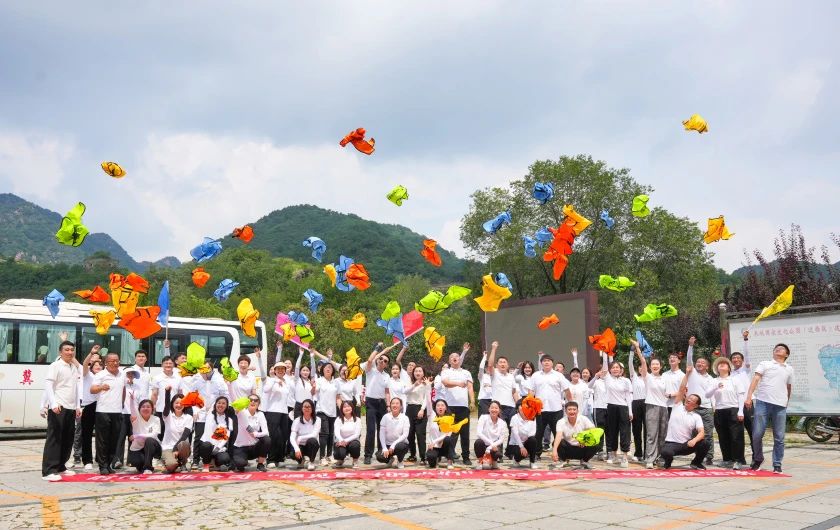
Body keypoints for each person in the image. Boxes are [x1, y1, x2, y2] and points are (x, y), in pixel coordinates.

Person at [745, 342, 793, 474]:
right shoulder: (765, 364)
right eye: (776, 348)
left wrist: (786, 401)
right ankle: (758, 459)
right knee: (757, 434)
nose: (778, 349)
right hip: (763, 403)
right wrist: (749, 397)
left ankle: (777, 464)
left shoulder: (789, 369)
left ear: (786, 355)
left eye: (782, 349)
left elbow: (788, 387)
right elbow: (755, 379)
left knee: (779, 437)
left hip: (780, 405)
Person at [42, 340, 82, 482]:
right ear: (60, 352)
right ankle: (48, 471)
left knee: (67, 439)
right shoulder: (55, 365)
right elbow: (49, 385)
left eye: (72, 350)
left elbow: (76, 388)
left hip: (71, 408)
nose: (70, 352)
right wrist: (52, 403)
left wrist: (78, 406)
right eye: (67, 350)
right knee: (55, 439)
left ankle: (61, 466)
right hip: (58, 407)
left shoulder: (74, 367)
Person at [661, 366, 710, 469]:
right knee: (666, 452)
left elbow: (701, 433)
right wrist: (687, 374)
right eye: (689, 397)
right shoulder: (677, 406)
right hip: (671, 444)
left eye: (692, 400)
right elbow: (681, 389)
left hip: (686, 445)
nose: (689, 399)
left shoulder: (696, 416)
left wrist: (694, 440)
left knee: (705, 443)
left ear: (696, 405)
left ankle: (696, 463)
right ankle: (668, 463)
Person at [591, 352, 632, 467]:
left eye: (617, 367)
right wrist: (605, 352)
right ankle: (613, 455)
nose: (615, 369)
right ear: (610, 370)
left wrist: (630, 411)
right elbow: (605, 365)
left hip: (623, 407)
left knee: (624, 432)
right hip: (611, 407)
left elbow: (628, 396)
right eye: (613, 368)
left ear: (621, 369)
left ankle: (624, 456)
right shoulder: (608, 378)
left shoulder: (626, 381)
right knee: (612, 432)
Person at [186, 361, 229, 470]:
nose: (205, 370)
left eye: (208, 368)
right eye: (203, 368)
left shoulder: (218, 380)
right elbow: (191, 396)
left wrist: (217, 407)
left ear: (212, 369)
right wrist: (195, 410)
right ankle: (195, 460)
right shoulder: (196, 380)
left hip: (215, 412)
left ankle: (213, 458)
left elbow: (224, 395)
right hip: (201, 411)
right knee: (198, 436)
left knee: (215, 434)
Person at [632, 341, 668, 469]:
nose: (655, 366)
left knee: (662, 435)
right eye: (653, 364)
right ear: (650, 366)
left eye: (657, 364)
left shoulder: (665, 378)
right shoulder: (647, 377)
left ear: (661, 366)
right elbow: (643, 361)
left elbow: (668, 393)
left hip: (664, 407)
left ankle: (659, 458)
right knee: (652, 434)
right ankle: (649, 459)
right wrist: (637, 348)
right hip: (651, 407)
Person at [363, 342, 400, 464]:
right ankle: (368, 455)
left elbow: (387, 392)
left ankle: (381, 452)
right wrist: (378, 349)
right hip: (371, 402)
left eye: (385, 361)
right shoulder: (370, 370)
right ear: (377, 360)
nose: (382, 361)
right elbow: (370, 360)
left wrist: (388, 405)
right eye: (381, 359)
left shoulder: (386, 376)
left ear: (386, 364)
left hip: (382, 404)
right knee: (371, 429)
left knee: (382, 429)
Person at [90, 352, 126, 475]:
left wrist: (122, 404)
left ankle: (109, 464)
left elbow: (123, 390)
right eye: (112, 361)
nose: (115, 363)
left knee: (114, 440)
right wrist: (101, 387)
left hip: (117, 411)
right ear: (106, 363)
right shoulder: (101, 374)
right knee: (102, 440)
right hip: (103, 411)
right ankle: (102, 465)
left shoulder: (122, 374)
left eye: (117, 360)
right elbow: (92, 389)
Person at [708, 356, 746, 469]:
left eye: (724, 364)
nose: (722, 365)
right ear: (717, 368)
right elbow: (707, 395)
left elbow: (741, 395)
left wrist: (741, 411)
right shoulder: (714, 381)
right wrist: (715, 387)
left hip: (733, 409)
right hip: (719, 411)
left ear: (729, 368)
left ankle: (738, 460)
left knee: (736, 436)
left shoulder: (735, 379)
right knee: (723, 436)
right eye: (719, 364)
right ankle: (727, 459)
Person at [531, 352, 571, 459]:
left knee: (558, 432)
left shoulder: (559, 375)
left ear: (552, 363)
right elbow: (531, 391)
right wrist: (530, 405)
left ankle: (560, 454)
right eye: (544, 361)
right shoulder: (535, 375)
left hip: (556, 409)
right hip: (540, 410)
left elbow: (567, 390)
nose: (546, 362)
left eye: (548, 361)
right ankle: (536, 454)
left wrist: (571, 403)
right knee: (538, 433)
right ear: (541, 363)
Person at [440, 350, 476, 466]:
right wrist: (458, 383)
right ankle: (450, 456)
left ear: (460, 359)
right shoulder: (446, 371)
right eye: (452, 357)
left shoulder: (466, 372)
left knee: (465, 433)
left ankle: (466, 456)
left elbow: (470, 387)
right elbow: (445, 383)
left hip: (463, 406)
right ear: (449, 360)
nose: (455, 358)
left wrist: (472, 401)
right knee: (451, 433)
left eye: (457, 356)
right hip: (450, 407)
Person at [686, 337, 715, 466]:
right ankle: (698, 456)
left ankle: (709, 456)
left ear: (707, 366)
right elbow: (689, 359)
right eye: (698, 362)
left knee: (708, 434)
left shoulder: (711, 379)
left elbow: (713, 395)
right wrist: (690, 346)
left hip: (707, 409)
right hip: (694, 409)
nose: (699, 364)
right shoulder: (692, 373)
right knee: (694, 434)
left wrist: (714, 407)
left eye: (703, 363)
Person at [552, 401, 598, 468]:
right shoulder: (561, 422)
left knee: (595, 442)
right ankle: (563, 460)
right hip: (568, 449)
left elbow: (593, 430)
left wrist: (584, 440)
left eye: (574, 409)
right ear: (565, 411)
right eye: (569, 409)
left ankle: (584, 461)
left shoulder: (584, 419)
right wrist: (554, 450)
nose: (572, 411)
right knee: (557, 442)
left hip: (582, 447)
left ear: (577, 411)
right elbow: (558, 435)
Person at [486, 342, 520, 434]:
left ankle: (511, 444)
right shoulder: (495, 373)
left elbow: (514, 392)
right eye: (500, 362)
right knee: (497, 430)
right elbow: (490, 365)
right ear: (497, 365)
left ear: (507, 365)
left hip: (511, 407)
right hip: (498, 406)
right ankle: (497, 444)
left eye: (504, 362)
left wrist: (518, 405)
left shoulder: (511, 376)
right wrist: (494, 349)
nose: (502, 364)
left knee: (513, 430)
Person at [77, 349, 102, 471]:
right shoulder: (88, 375)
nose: (98, 366)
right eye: (95, 365)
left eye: (100, 365)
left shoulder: (105, 376)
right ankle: (87, 460)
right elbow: (84, 364)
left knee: (102, 435)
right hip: (89, 406)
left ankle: (100, 458)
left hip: (102, 406)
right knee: (86, 435)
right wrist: (91, 353)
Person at [262, 361, 290, 468]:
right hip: (273, 411)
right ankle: (271, 459)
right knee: (274, 436)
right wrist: (275, 380)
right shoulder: (271, 380)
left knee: (283, 436)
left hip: (284, 412)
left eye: (282, 369)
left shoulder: (286, 381)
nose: (280, 370)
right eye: (278, 369)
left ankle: (279, 458)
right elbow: (265, 390)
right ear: (275, 370)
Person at [232, 394, 269, 472]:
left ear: (258, 404)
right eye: (250, 400)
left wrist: (256, 434)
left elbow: (266, 432)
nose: (253, 402)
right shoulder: (242, 412)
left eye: (256, 400)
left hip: (254, 447)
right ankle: (239, 461)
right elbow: (234, 399)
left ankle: (260, 464)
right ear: (247, 402)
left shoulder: (261, 414)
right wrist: (230, 386)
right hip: (241, 447)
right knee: (241, 465)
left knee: (267, 440)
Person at [160, 390, 193, 473]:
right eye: (176, 403)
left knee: (184, 443)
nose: (179, 405)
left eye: (181, 403)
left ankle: (183, 463)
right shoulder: (167, 416)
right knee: (171, 466)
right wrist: (167, 392)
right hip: (168, 447)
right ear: (172, 404)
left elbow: (185, 436)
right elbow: (166, 406)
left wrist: (176, 449)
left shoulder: (189, 418)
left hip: (181, 448)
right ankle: (173, 462)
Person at [198, 396, 234, 472]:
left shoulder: (229, 420)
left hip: (219, 447)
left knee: (225, 459)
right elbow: (207, 403)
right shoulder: (209, 415)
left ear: (227, 406)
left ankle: (214, 462)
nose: (221, 405)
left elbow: (226, 437)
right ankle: (206, 464)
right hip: (207, 446)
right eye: (219, 403)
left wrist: (218, 448)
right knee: (206, 446)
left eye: (223, 403)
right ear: (215, 404)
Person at [127, 398, 162, 474]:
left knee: (149, 440)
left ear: (152, 409)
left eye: (148, 407)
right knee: (137, 463)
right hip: (138, 448)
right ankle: (146, 463)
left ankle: (148, 467)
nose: (145, 408)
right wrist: (132, 400)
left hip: (153, 446)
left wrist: (137, 436)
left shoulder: (156, 419)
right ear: (139, 409)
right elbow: (132, 409)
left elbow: (153, 435)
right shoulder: (136, 418)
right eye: (143, 407)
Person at [150, 356, 182, 438]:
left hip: (174, 410)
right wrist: (153, 406)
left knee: (173, 432)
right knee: (161, 432)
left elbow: (180, 394)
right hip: (160, 409)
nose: (168, 365)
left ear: (173, 365)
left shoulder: (178, 378)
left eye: (170, 363)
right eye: (166, 363)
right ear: (162, 365)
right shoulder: (157, 378)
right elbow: (154, 394)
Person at [730, 330, 753, 445]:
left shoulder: (746, 369)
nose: (736, 359)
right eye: (734, 358)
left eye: (738, 358)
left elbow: (747, 354)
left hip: (747, 403)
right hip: (735, 405)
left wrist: (745, 339)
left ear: (742, 360)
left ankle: (756, 454)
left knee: (752, 429)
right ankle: (739, 454)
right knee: (737, 432)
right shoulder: (730, 374)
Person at [314, 361, 339, 466]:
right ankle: (322, 457)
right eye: (326, 367)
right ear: (322, 370)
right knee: (324, 434)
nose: (328, 369)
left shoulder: (335, 382)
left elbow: (338, 397)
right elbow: (314, 392)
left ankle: (329, 455)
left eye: (330, 367)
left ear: (333, 370)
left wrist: (341, 408)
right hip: (321, 410)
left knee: (331, 435)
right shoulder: (319, 380)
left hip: (333, 412)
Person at [404, 366, 429, 463]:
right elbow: (405, 392)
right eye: (416, 371)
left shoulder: (426, 383)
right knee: (410, 434)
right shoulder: (409, 382)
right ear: (413, 373)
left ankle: (423, 457)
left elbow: (427, 398)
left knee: (420, 434)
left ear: (423, 373)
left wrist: (422, 409)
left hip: (421, 409)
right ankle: (412, 455)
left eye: (420, 371)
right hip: (410, 409)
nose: (418, 373)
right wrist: (414, 385)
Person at [425, 393, 457, 470]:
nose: (440, 407)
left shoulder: (450, 418)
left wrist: (435, 441)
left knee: (448, 439)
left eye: (442, 405)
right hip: (434, 446)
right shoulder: (431, 415)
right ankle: (436, 458)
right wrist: (428, 388)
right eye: (438, 405)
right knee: (431, 461)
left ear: (446, 408)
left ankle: (450, 462)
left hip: (444, 445)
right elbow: (428, 402)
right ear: (435, 408)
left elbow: (447, 434)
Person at [474, 401, 508, 470]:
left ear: (499, 410)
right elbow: (479, 433)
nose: (494, 410)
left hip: (494, 446)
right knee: (478, 442)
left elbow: (501, 439)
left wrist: (490, 447)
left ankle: (494, 461)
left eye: (496, 408)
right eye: (492, 408)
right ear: (489, 409)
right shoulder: (483, 418)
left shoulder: (502, 423)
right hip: (484, 444)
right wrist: (491, 443)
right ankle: (480, 462)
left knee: (497, 453)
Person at [377, 397, 410, 468]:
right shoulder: (385, 417)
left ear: (401, 406)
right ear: (390, 405)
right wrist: (384, 448)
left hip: (400, 444)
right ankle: (390, 459)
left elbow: (405, 435)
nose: (395, 405)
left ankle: (400, 460)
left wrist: (393, 445)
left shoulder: (405, 418)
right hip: (388, 445)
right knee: (379, 457)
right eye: (393, 403)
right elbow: (382, 434)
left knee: (400, 447)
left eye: (397, 403)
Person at [507, 399, 540, 469]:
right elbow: (515, 434)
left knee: (533, 440)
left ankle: (532, 462)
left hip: (527, 442)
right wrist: (522, 446)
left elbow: (532, 433)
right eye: (521, 406)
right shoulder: (514, 418)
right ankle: (516, 460)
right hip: (516, 444)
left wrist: (526, 446)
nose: (524, 408)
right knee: (519, 453)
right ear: (517, 409)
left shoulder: (533, 417)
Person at [628, 346, 647, 463]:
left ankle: (647, 453)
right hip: (636, 403)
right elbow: (630, 364)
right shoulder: (634, 377)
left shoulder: (649, 378)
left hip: (647, 403)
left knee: (647, 430)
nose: (641, 369)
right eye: (639, 367)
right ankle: (638, 453)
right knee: (636, 429)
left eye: (643, 367)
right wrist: (631, 352)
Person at [290, 399, 321, 470]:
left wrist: (300, 437)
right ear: (302, 408)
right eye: (305, 406)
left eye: (309, 407)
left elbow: (314, 434)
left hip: (310, 445)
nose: (307, 408)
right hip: (300, 445)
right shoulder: (297, 420)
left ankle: (311, 462)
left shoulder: (318, 420)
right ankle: (301, 461)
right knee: (292, 454)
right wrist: (296, 448)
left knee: (313, 441)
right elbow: (292, 437)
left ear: (312, 408)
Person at [333, 400, 362, 468]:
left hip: (352, 441)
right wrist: (341, 440)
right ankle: (341, 460)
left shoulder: (357, 419)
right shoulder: (338, 419)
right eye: (344, 407)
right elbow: (336, 432)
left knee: (355, 445)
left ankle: (355, 461)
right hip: (341, 441)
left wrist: (345, 441)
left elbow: (357, 434)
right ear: (341, 409)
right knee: (340, 453)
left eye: (348, 406)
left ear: (352, 407)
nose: (347, 408)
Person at [292, 348, 317, 418]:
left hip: (309, 406)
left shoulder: (311, 381)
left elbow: (313, 368)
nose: (305, 372)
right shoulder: (297, 380)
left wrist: (312, 357)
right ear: (300, 372)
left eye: (307, 370)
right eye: (303, 370)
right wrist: (300, 354)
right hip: (299, 406)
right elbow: (297, 367)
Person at [476, 352, 492, 417]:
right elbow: (481, 368)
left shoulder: (495, 377)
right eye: (486, 367)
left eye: (489, 367)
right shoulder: (482, 376)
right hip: (483, 400)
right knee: (483, 419)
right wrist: (484, 357)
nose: (488, 368)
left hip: (493, 400)